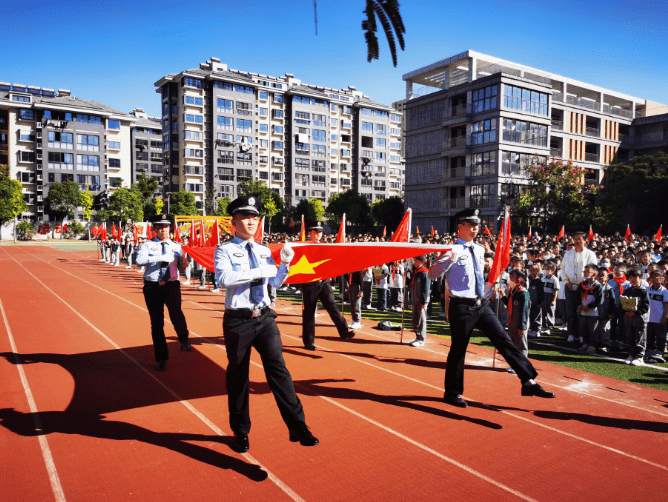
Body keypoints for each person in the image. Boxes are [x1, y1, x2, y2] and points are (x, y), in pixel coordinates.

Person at [214, 196, 318, 452]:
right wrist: (260, 271)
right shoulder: (224, 250)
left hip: (265, 317)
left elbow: (276, 283)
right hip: (238, 321)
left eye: (254, 217)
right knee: (238, 377)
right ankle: (240, 431)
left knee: (279, 371)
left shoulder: (262, 250)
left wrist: (285, 264)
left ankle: (298, 426)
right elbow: (223, 279)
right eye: (245, 217)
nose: (252, 221)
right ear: (234, 222)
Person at [428, 208, 555, 408]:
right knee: (458, 350)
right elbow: (432, 274)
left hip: (482, 304)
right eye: (471, 225)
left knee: (504, 341)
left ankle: (528, 381)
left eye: (477, 225)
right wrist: (445, 262)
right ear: (460, 227)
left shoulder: (479, 249)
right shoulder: (451, 250)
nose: (476, 228)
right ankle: (452, 392)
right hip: (461, 307)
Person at [135, 214, 190, 372]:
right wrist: (160, 257)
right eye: (159, 227)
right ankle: (161, 358)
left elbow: (181, 267)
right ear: (154, 229)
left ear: (169, 229)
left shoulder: (176, 246)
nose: (163, 230)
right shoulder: (147, 245)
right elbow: (139, 261)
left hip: (172, 285)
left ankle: (184, 338)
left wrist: (184, 265)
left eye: (165, 227)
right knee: (157, 322)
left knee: (176, 313)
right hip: (153, 286)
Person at [300, 221, 355, 350]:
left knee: (333, 307)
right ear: (309, 233)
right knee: (309, 313)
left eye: (320, 232)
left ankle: (344, 331)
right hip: (310, 283)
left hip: (324, 282)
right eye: (316, 232)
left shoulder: (325, 246)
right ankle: (308, 342)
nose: (318, 234)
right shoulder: (303, 246)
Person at [561, 231, 598, 343]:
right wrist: (567, 283)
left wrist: (583, 284)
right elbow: (562, 269)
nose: (577, 241)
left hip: (584, 287)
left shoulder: (590, 254)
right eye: (575, 239)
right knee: (571, 311)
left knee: (582, 311)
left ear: (585, 240)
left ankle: (582, 334)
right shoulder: (568, 254)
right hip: (570, 286)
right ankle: (571, 333)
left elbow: (593, 270)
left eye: (579, 239)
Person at [501, 269, 530, 373]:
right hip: (512, 321)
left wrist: (522, 326)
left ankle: (522, 366)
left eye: (512, 278)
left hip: (519, 322)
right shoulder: (514, 292)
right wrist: (503, 295)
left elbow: (525, 311)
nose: (510, 280)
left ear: (519, 280)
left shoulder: (523, 293)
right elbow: (509, 304)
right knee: (513, 344)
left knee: (521, 345)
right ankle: (514, 365)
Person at [620, 267, 650, 366]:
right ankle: (631, 354)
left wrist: (636, 312)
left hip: (640, 318)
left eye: (635, 277)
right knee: (630, 336)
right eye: (631, 277)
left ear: (641, 278)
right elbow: (622, 302)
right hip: (628, 317)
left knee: (640, 337)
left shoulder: (643, 291)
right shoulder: (627, 290)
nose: (633, 279)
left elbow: (646, 306)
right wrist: (625, 311)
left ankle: (640, 356)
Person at [575, 264, 602, 355]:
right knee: (583, 329)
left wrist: (589, 306)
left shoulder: (598, 286)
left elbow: (599, 300)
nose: (585, 273)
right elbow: (577, 296)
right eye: (584, 271)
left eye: (588, 272)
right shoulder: (582, 284)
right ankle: (585, 344)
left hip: (593, 312)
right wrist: (579, 304)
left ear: (594, 274)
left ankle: (592, 346)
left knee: (592, 329)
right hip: (583, 311)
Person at [645, 269, 668, 363]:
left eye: (657, 276)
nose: (654, 278)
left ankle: (660, 352)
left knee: (660, 336)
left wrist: (664, 317)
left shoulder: (665, 291)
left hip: (659, 318)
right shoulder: (647, 290)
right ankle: (649, 351)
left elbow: (666, 305)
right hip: (648, 318)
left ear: (663, 279)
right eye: (653, 276)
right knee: (649, 335)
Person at [408, 255, 430, 347]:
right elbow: (410, 284)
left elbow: (426, 288)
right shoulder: (416, 271)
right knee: (415, 319)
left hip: (421, 299)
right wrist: (406, 278)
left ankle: (422, 338)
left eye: (416, 261)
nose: (414, 263)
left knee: (421, 319)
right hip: (415, 298)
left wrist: (424, 301)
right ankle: (417, 336)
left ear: (422, 262)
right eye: (414, 261)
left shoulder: (424, 272)